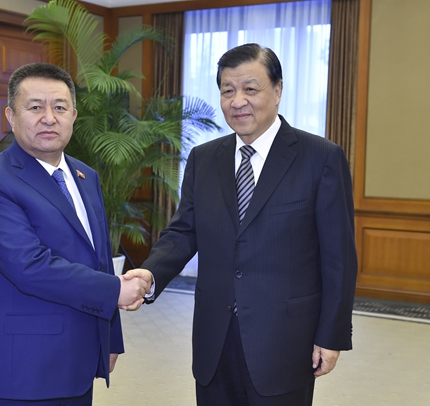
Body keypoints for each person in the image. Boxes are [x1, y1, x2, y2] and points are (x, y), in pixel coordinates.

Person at [126, 43, 357, 405]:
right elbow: (184, 230)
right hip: (214, 340)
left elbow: (338, 257)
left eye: (251, 89)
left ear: (278, 90)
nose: (237, 101)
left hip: (284, 341)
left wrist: (332, 334)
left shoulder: (321, 158)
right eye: (227, 90)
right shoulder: (204, 158)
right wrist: (149, 274)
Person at [0, 62, 150, 405]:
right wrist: (116, 290)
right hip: (20, 371)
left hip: (79, 362)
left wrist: (111, 339)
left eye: (59, 107)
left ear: (73, 115)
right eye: (35, 107)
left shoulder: (84, 176)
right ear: (11, 116)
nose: (49, 117)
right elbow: (29, 267)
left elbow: (100, 260)